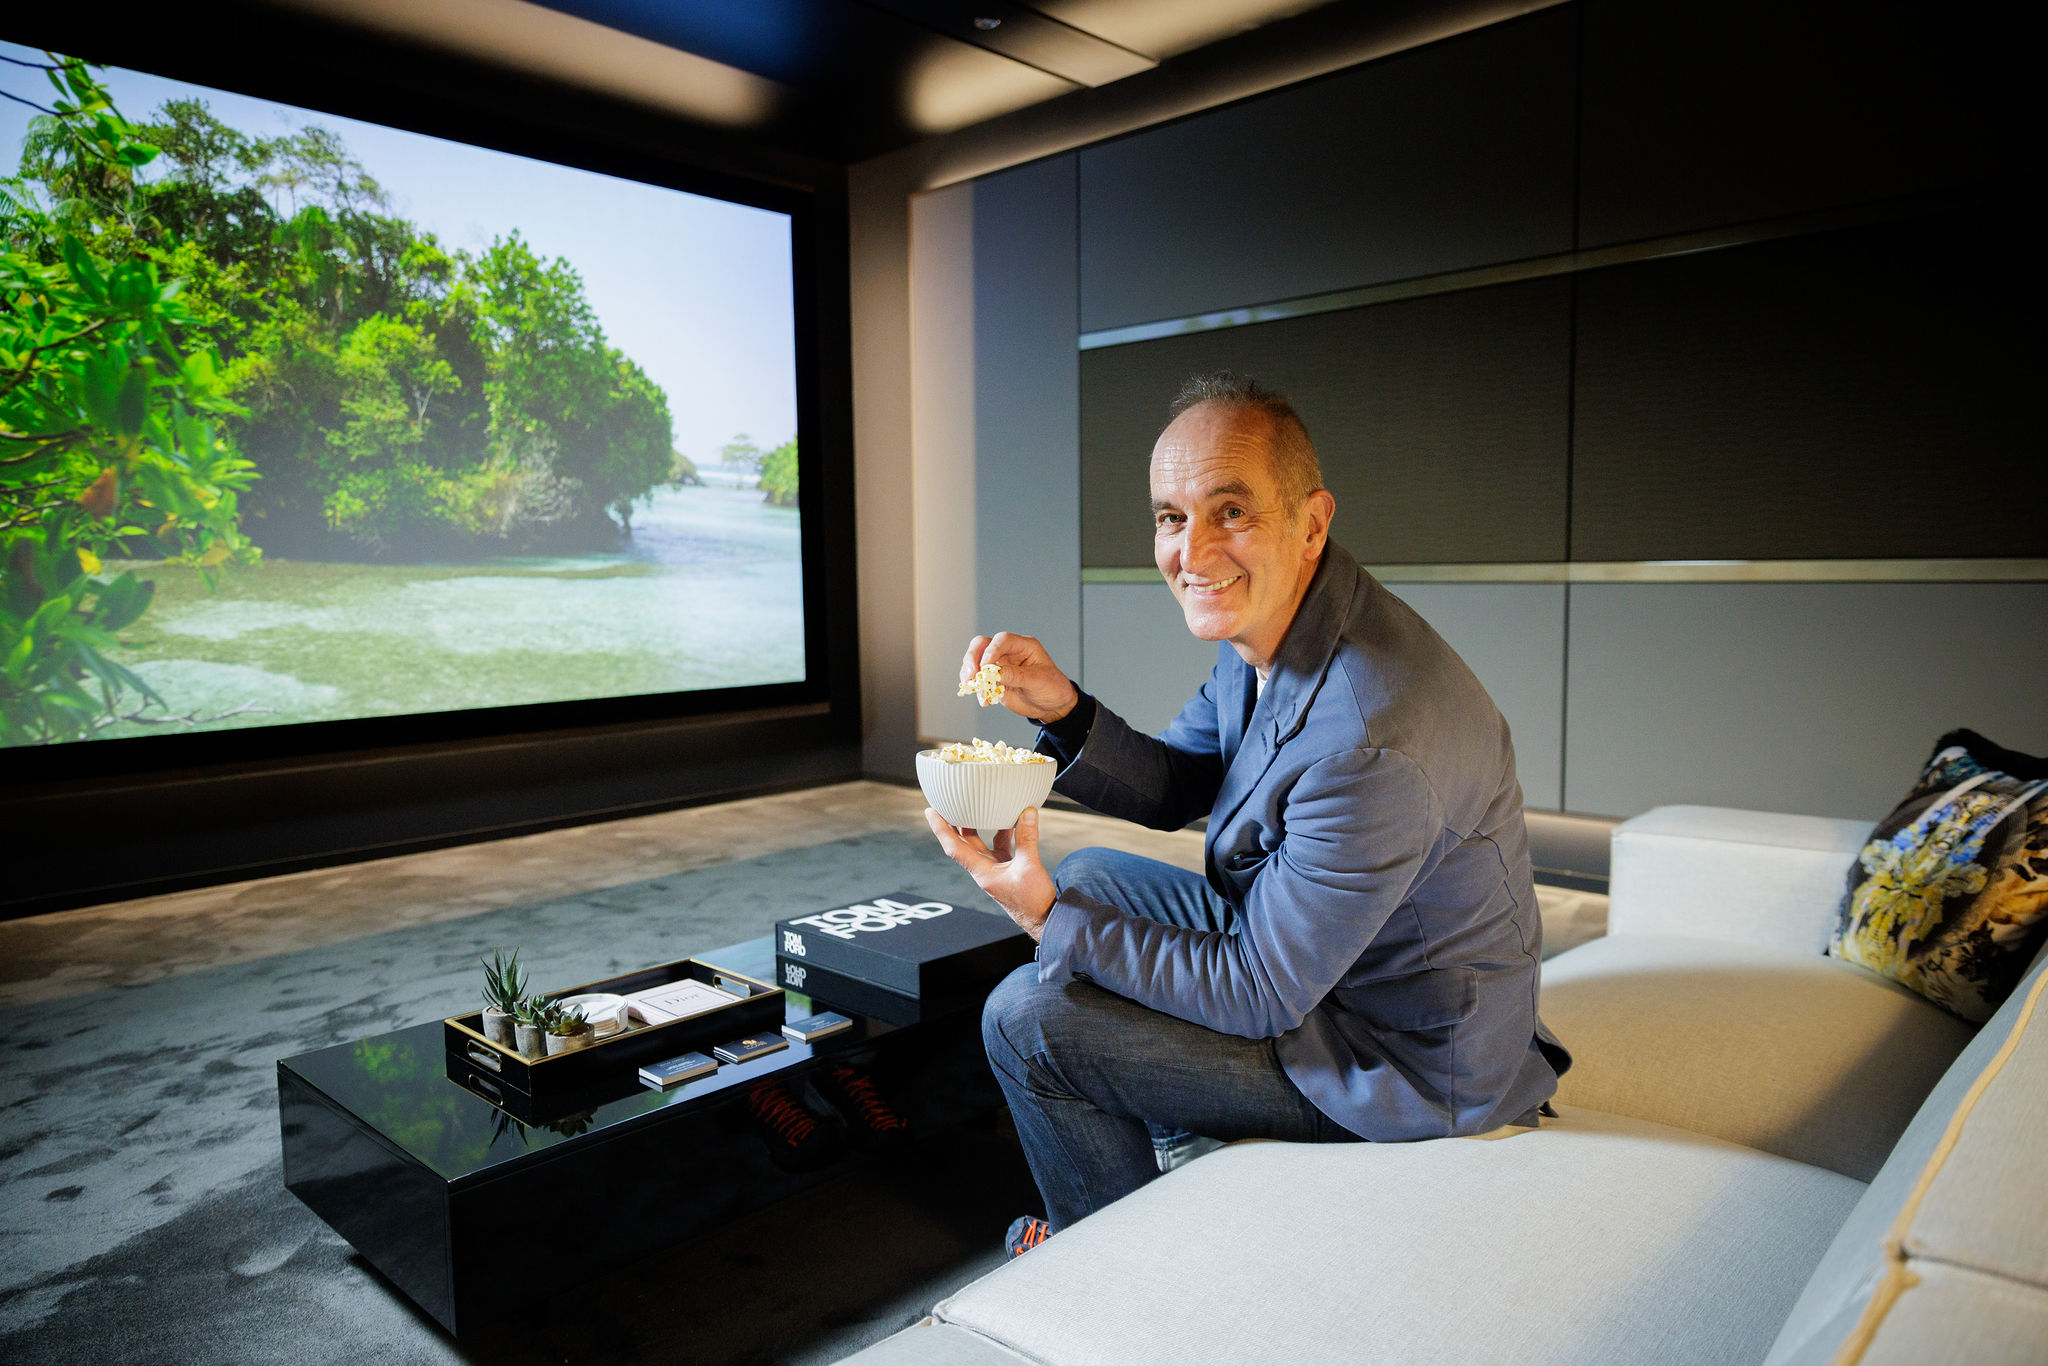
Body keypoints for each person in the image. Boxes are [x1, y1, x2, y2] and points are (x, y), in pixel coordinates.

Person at [924, 372, 1571, 1254]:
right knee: (1092, 876)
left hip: (1395, 1059)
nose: (1192, 551)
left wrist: (1042, 917)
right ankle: (1166, 1147)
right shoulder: (1287, 621)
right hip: (1331, 971)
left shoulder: (1368, 739)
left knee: (1026, 1021)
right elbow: (1179, 781)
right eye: (1171, 517)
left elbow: (1261, 991)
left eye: (1230, 511)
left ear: (1312, 523)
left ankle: (1103, 1264)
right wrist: (1062, 710)